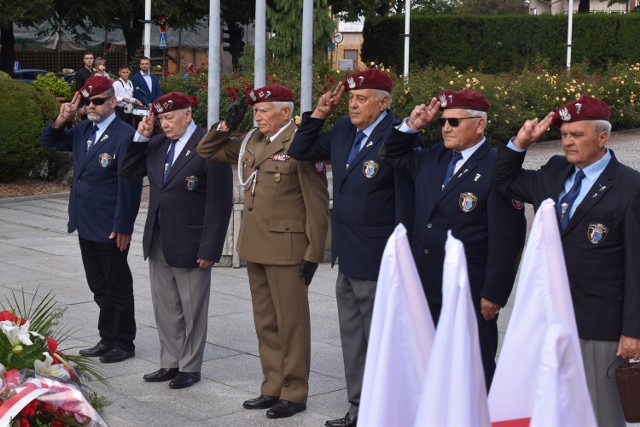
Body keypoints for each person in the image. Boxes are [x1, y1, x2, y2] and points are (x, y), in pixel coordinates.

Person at [492, 95, 640, 426]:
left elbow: (637, 265)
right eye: (564, 135)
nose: (568, 142)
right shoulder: (555, 172)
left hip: (599, 324)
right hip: (549, 318)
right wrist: (520, 142)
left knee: (600, 413)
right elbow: (501, 181)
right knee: (553, 410)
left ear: (602, 138)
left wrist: (634, 330)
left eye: (577, 134)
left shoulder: (630, 187)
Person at [288, 69, 420, 427]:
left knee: (382, 340)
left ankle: (388, 410)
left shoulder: (397, 136)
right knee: (353, 338)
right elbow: (299, 149)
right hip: (346, 254)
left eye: (362, 98)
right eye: (350, 98)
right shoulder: (344, 130)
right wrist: (319, 114)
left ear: (383, 102)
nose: (353, 104)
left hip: (380, 257)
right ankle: (358, 407)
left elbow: (407, 199)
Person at [197, 84, 330, 419]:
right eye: (254, 111)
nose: (257, 117)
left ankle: (295, 391)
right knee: (266, 322)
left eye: (263, 110)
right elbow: (207, 150)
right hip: (255, 244)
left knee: (292, 325)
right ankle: (272, 385)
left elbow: (317, 203)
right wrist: (227, 126)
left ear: (285, 112)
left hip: (287, 248)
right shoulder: (251, 140)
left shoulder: (300, 142)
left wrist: (314, 252)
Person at [382, 89, 526, 390]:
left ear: (479, 125)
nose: (446, 128)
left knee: (474, 367)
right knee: (429, 364)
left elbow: (508, 238)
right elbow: (392, 155)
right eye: (443, 122)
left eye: (454, 122)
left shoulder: (497, 166)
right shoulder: (435, 156)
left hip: (470, 289)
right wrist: (412, 125)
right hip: (427, 281)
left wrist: (495, 293)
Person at [121, 92, 233, 389]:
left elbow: (220, 204)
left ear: (187, 113)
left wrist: (211, 248)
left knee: (193, 308)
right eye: (160, 120)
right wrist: (141, 138)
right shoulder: (157, 145)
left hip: (192, 241)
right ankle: (169, 362)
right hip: (159, 237)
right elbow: (129, 170)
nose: (165, 125)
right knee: (165, 306)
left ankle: (190, 366)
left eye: (170, 118)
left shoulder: (208, 146)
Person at [40, 76, 143, 363]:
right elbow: (50, 141)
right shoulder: (84, 128)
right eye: (88, 102)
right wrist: (63, 118)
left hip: (110, 224)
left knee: (117, 284)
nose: (91, 106)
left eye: (97, 101)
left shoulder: (124, 135)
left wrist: (123, 225)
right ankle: (107, 337)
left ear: (113, 101)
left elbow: (129, 186)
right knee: (98, 285)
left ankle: (124, 342)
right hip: (85, 221)